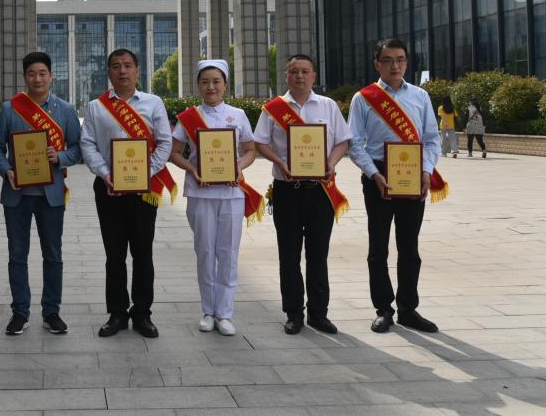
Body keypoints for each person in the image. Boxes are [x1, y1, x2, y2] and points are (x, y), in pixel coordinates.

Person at [348, 38, 447, 334]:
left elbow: (432, 139)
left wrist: (426, 171)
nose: (395, 65)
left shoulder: (420, 96)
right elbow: (355, 143)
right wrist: (372, 174)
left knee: (409, 247)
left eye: (401, 59)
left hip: (414, 174)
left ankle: (408, 308)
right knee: (378, 248)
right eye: (388, 60)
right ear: (377, 64)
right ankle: (383, 309)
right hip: (378, 175)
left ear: (406, 62)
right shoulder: (364, 98)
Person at [253, 54, 351, 335]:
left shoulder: (328, 106)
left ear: (314, 76)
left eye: (305, 71)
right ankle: (293, 312)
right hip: (287, 190)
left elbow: (343, 141)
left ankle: (319, 314)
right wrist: (280, 162)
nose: (299, 76)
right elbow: (260, 143)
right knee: (289, 255)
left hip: (320, 190)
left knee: (318, 255)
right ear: (286, 75)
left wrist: (330, 163)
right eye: (294, 71)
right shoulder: (273, 108)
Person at [80, 48, 174, 338]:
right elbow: (87, 144)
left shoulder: (153, 103)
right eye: (116, 66)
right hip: (109, 188)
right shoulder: (96, 107)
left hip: (144, 189)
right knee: (115, 254)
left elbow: (165, 143)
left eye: (128, 65)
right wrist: (106, 174)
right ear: (109, 72)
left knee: (143, 253)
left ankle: (143, 313)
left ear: (137, 70)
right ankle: (117, 313)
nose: (122, 71)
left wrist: (146, 173)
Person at [0, 52, 82, 336]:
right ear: (25, 77)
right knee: (17, 255)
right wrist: (6, 169)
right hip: (17, 193)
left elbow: (78, 148)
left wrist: (60, 157)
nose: (37, 78)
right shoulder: (10, 109)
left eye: (42, 73)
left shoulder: (65, 110)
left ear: (51, 76)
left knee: (52, 255)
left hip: (51, 194)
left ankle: (51, 312)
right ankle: (20, 312)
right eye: (32, 73)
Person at [169, 59, 258, 337]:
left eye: (216, 81)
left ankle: (225, 313)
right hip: (200, 192)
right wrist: (192, 169)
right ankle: (208, 311)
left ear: (225, 85)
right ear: (198, 85)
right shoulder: (189, 117)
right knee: (205, 251)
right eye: (205, 81)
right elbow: (174, 152)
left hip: (231, 193)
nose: (211, 87)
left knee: (228, 253)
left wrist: (239, 168)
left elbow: (250, 149)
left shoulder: (238, 115)